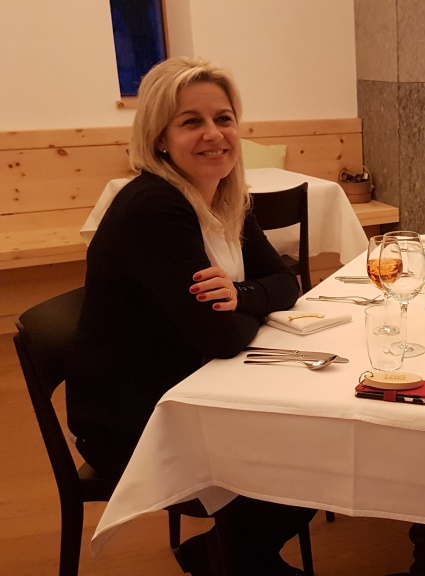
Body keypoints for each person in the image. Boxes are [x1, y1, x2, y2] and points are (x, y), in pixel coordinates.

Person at [67, 57, 314, 576]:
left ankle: (225, 555)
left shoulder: (225, 196)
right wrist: (246, 306)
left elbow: (286, 282)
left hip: (194, 383)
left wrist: (240, 296)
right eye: (190, 122)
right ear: (160, 138)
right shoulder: (156, 208)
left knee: (318, 439)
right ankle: (233, 558)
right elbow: (221, 337)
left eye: (223, 118)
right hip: (137, 417)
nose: (213, 134)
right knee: (309, 452)